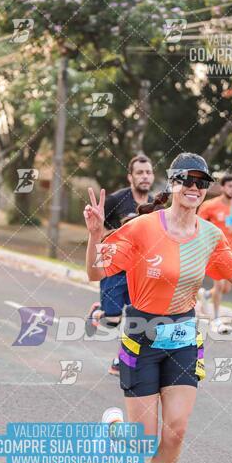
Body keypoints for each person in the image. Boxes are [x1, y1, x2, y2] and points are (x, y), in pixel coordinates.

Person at [84, 152, 232, 463]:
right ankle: (115, 426)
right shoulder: (140, 228)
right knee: (143, 445)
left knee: (176, 430)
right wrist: (94, 235)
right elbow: (95, 271)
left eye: (202, 182)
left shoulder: (210, 236)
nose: (195, 187)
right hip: (141, 334)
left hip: (182, 334)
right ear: (174, 183)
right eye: (188, 180)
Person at [85, 155, 154, 376]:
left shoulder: (155, 205)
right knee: (113, 321)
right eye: (140, 172)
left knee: (137, 318)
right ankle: (99, 311)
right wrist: (121, 232)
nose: (145, 176)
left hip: (139, 271)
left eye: (148, 172)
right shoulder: (117, 200)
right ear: (130, 176)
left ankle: (120, 360)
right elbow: (98, 230)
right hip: (113, 267)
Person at [197, 174, 232, 330]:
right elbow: (198, 225)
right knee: (219, 286)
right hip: (215, 250)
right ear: (222, 188)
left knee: (227, 288)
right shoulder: (209, 206)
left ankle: (205, 295)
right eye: (230, 186)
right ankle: (216, 320)